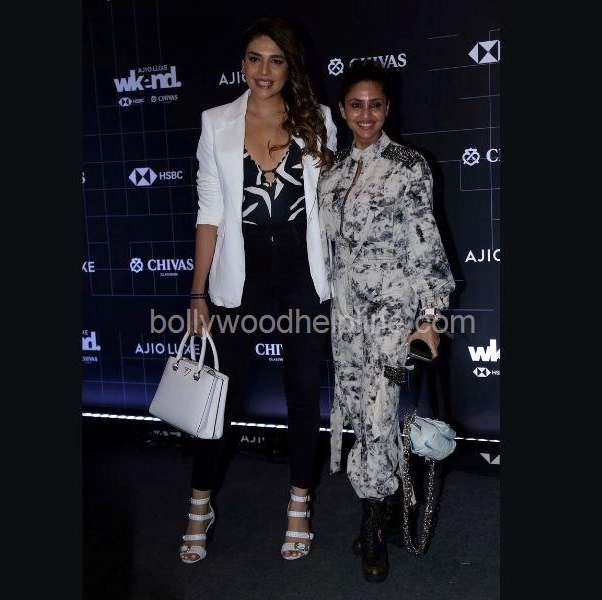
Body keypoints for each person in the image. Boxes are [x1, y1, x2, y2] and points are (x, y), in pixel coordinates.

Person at [179, 17, 337, 563]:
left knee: (302, 391)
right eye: (254, 58)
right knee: (220, 395)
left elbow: (330, 203)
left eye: (275, 60)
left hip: (302, 271)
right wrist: (197, 293)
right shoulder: (215, 121)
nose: (263, 70)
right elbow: (208, 212)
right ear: (242, 63)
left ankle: (299, 502)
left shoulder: (317, 119)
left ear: (290, 66)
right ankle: (199, 503)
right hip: (239, 272)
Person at [317, 60, 455, 582]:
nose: (366, 114)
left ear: (388, 108)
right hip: (346, 316)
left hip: (393, 314)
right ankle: (390, 509)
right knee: (360, 413)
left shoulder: (408, 165)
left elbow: (426, 245)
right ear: (342, 110)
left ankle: (374, 527)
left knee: (379, 415)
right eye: (356, 105)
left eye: (375, 104)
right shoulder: (330, 172)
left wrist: (430, 317)